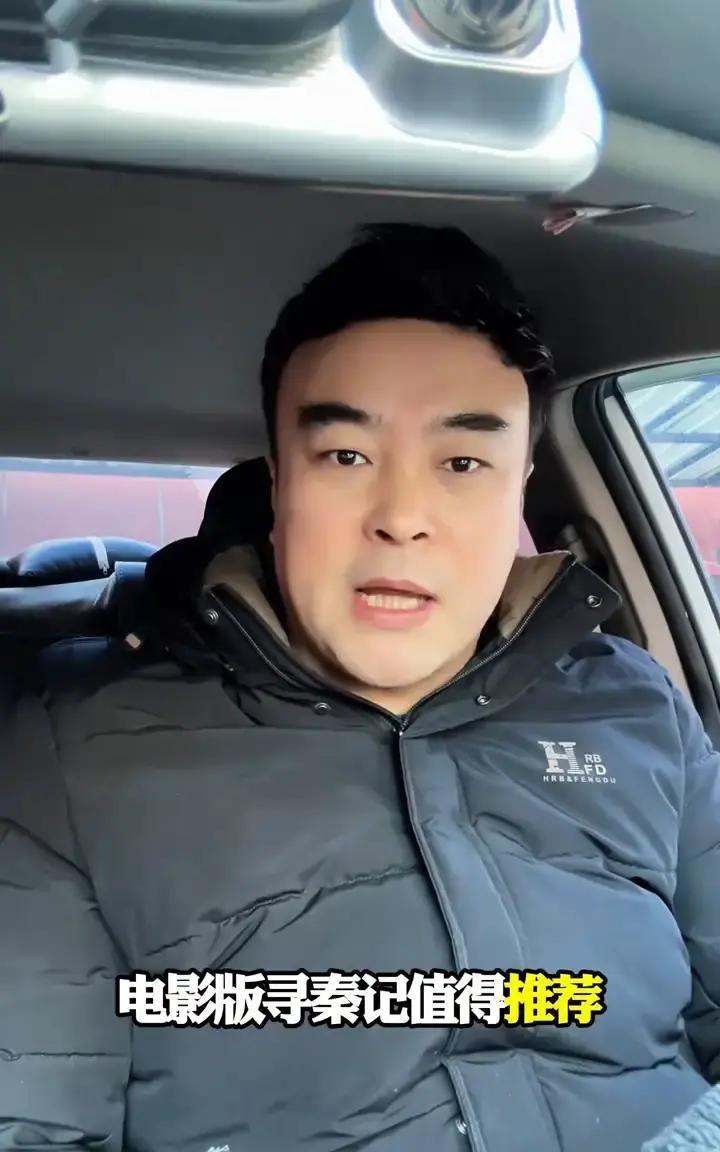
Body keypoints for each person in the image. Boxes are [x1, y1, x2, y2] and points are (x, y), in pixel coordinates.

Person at [0, 223, 718, 1152]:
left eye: (463, 463)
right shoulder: (72, 749)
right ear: (276, 485)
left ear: (520, 487)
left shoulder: (637, 706)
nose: (402, 519)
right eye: (345, 456)